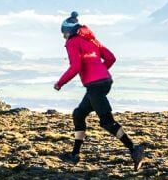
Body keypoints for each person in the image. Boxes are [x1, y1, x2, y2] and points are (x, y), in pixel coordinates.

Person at [53, 12, 145, 169]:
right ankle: (74, 155)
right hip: (104, 82)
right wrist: (101, 72)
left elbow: (76, 66)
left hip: (95, 85)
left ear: (68, 31)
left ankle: (134, 149)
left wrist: (59, 83)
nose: (63, 37)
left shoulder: (72, 42)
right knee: (79, 114)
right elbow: (110, 58)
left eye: (64, 34)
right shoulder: (91, 40)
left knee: (107, 122)